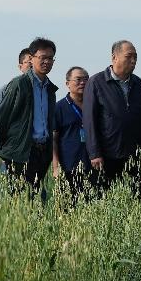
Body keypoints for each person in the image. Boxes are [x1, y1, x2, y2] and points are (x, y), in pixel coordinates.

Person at [84, 40, 141, 197]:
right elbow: (89, 121)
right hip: (106, 155)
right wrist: (94, 153)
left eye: (135, 57)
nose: (133, 61)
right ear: (114, 57)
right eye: (129, 56)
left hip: (134, 156)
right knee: (103, 200)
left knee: (134, 200)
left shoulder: (139, 84)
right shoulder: (96, 82)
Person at [0, 37, 58, 199]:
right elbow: (2, 119)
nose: (47, 62)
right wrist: (10, 146)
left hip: (42, 152)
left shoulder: (50, 88)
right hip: (21, 151)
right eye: (42, 57)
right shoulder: (19, 84)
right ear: (31, 58)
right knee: (17, 201)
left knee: (37, 200)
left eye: (50, 58)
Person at [52, 66, 92, 201]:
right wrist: (56, 167)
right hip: (68, 168)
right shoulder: (59, 107)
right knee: (67, 208)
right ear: (67, 83)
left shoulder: (94, 105)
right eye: (78, 79)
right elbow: (53, 140)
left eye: (86, 79)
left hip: (93, 167)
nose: (83, 83)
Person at [0, 48, 33, 115]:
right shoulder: (6, 89)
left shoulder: (46, 89)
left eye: (34, 62)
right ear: (20, 67)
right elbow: (0, 116)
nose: (33, 65)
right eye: (29, 62)